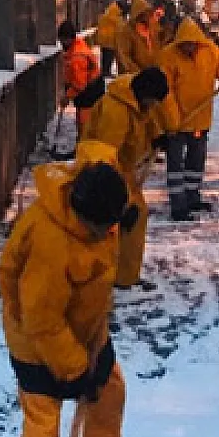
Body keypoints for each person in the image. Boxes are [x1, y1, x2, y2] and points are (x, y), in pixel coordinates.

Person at [0, 145, 153, 437]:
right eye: (104, 227)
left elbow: (101, 148)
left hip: (88, 331)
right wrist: (74, 370)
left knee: (110, 394)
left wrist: (125, 217)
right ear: (84, 215)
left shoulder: (94, 189)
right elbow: (42, 321)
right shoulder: (51, 246)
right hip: (38, 345)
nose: (109, 234)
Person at [80, 67, 171, 290]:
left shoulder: (135, 99)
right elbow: (105, 154)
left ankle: (124, 275)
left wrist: (157, 135)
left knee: (135, 217)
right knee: (123, 217)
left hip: (122, 170)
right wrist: (120, 202)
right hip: (102, 172)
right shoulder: (116, 111)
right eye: (153, 101)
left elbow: (146, 119)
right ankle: (107, 275)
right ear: (144, 93)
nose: (153, 107)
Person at [156, 18, 219, 221]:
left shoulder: (210, 52)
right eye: (184, 45)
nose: (188, 49)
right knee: (175, 163)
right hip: (177, 120)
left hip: (200, 119)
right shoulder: (168, 56)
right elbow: (165, 91)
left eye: (191, 45)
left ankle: (193, 197)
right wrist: (173, 120)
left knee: (196, 160)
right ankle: (178, 205)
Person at [58, 20, 102, 138]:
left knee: (85, 122)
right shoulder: (76, 46)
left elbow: (80, 84)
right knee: (81, 119)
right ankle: (82, 142)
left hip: (90, 92)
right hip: (87, 89)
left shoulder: (77, 57)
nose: (61, 42)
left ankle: (85, 145)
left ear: (68, 39)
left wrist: (67, 96)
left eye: (62, 39)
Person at [115, 0, 159, 74]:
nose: (148, 15)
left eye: (149, 12)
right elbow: (124, 56)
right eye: (146, 12)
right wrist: (138, 73)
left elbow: (157, 48)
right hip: (134, 77)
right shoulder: (126, 30)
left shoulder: (152, 28)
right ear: (139, 13)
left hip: (151, 74)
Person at [96, 0, 127, 78]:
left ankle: (105, 72)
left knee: (105, 59)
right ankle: (105, 74)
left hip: (104, 40)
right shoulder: (116, 16)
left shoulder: (110, 10)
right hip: (110, 41)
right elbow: (118, 32)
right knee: (108, 59)